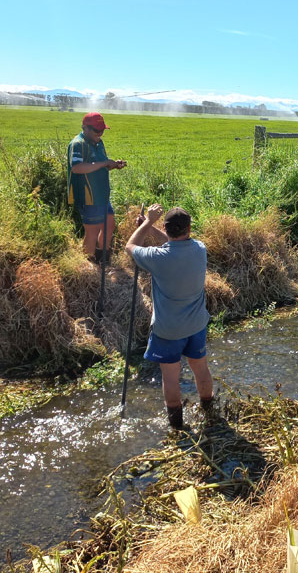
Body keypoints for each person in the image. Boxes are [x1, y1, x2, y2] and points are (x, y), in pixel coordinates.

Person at [125, 204, 214, 430]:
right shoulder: (199, 248)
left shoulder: (158, 258)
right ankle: (211, 414)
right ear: (190, 228)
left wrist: (147, 224)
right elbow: (175, 241)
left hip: (168, 330)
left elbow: (130, 246)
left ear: (165, 226)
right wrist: (152, 226)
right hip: (196, 325)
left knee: (171, 378)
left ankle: (177, 428)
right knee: (201, 369)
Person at [67, 112, 127, 262]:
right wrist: (104, 163)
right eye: (96, 130)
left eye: (102, 130)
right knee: (92, 232)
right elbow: (77, 168)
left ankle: (103, 256)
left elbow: (99, 166)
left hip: (102, 194)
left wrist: (112, 165)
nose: (100, 134)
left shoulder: (99, 143)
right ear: (84, 128)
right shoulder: (78, 144)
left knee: (109, 225)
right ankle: (89, 264)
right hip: (88, 196)